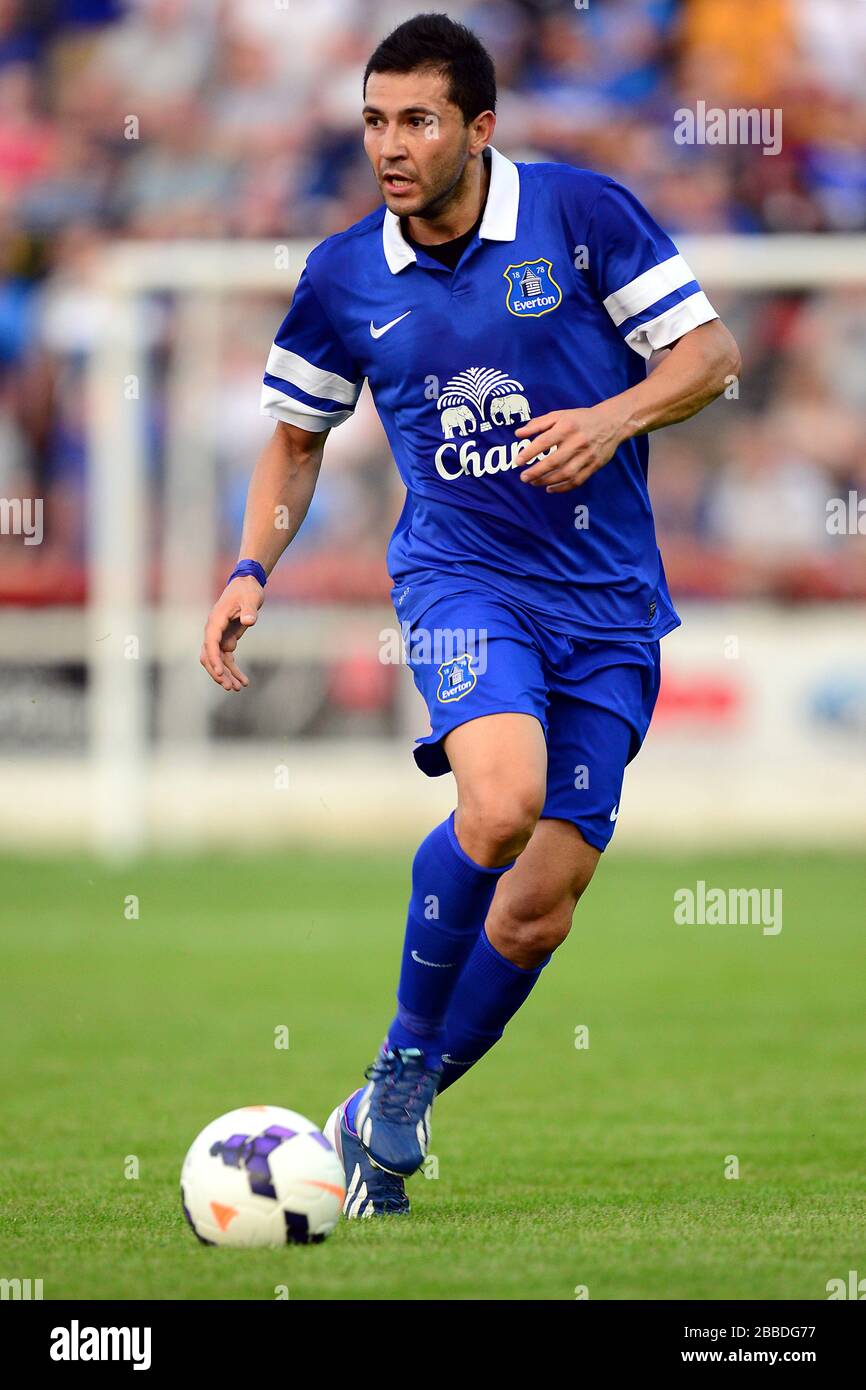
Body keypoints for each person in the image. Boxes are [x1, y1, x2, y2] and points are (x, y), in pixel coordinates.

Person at [200, 13, 740, 1218]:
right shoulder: (342, 274)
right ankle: (401, 1056)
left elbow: (708, 357)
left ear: (478, 128)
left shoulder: (580, 216)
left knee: (539, 908)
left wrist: (609, 419)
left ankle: (383, 1116)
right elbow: (296, 439)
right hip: (459, 578)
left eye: (417, 121)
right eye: (374, 121)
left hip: (606, 603)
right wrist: (251, 565)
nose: (389, 146)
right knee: (494, 806)